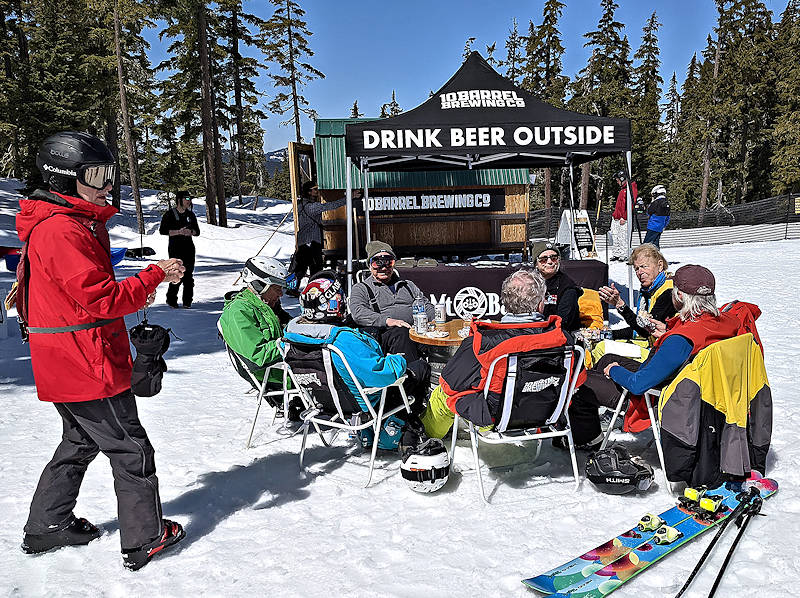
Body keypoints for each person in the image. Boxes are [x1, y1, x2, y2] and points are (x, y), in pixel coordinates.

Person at [17, 131, 186, 571]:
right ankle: (145, 536)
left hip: (72, 358)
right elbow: (101, 298)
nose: (107, 184)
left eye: (109, 173)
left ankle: (47, 525)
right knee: (132, 449)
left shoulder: (68, 222)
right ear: (64, 178)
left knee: (79, 440)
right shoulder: (61, 229)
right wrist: (153, 277)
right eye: (96, 175)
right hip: (84, 362)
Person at [569, 264, 744, 447]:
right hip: (699, 390)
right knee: (606, 358)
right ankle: (601, 405)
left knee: (579, 382)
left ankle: (588, 439)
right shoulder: (727, 322)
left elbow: (638, 384)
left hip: (655, 397)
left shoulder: (682, 339)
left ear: (680, 296)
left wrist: (614, 371)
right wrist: (668, 331)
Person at [420, 269, 579, 439]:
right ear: (541, 304)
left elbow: (450, 383)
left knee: (442, 394)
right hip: (546, 412)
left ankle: (426, 439)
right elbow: (578, 379)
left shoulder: (485, 342)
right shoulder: (563, 339)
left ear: (504, 303)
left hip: (495, 417)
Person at [281, 271, 425, 450]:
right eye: (339, 299)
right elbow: (381, 374)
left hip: (325, 399)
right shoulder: (342, 339)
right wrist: (397, 360)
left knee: (394, 337)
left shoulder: (292, 336)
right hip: (363, 402)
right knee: (419, 367)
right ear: (332, 304)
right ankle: (407, 428)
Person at [349, 240, 432, 394]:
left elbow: (426, 305)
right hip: (385, 336)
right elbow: (358, 312)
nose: (383, 267)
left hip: (415, 331)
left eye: (388, 262)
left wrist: (437, 322)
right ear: (369, 265)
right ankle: (411, 388)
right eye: (377, 262)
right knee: (401, 334)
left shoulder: (408, 285)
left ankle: (444, 388)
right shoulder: (362, 288)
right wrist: (388, 321)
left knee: (441, 342)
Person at [594, 243, 676, 363]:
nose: (640, 272)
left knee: (602, 348)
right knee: (604, 342)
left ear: (660, 265)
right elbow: (639, 330)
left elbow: (644, 330)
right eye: (637, 268)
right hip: (652, 346)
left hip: (662, 355)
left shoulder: (668, 292)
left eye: (644, 266)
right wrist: (609, 334)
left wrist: (620, 305)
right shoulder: (649, 291)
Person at [219, 256, 290, 387]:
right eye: (277, 288)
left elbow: (291, 328)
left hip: (287, 364)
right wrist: (294, 344)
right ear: (259, 285)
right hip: (273, 373)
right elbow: (259, 354)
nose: (281, 294)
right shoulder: (239, 312)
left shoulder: (266, 306)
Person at [286, 181, 362, 294]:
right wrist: (348, 198)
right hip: (311, 241)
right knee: (315, 268)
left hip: (304, 241)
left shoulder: (301, 205)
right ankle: (311, 290)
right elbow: (329, 206)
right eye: (315, 189)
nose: (317, 191)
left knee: (301, 267)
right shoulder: (311, 207)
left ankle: (293, 289)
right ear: (309, 192)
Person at [159, 190, 200, 308]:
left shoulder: (190, 215)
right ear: (179, 200)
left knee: (188, 275)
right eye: (186, 199)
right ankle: (171, 300)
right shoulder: (169, 214)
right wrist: (178, 232)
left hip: (189, 248)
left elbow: (197, 232)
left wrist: (190, 232)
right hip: (175, 248)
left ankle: (187, 302)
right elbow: (162, 231)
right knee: (176, 273)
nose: (189, 201)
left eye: (190, 199)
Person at [530, 241, 581, 331]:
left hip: (558, 334)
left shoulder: (567, 287)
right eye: (543, 259)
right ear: (536, 263)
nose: (550, 262)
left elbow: (563, 322)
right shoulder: (529, 283)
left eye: (554, 258)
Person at [611, 170, 637, 261]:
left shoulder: (630, 188)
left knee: (623, 236)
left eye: (618, 180)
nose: (617, 182)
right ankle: (617, 253)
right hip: (617, 217)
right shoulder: (623, 189)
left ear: (623, 179)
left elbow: (630, 204)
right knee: (615, 236)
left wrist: (625, 217)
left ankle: (624, 254)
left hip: (623, 218)